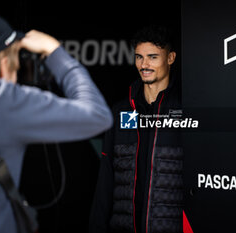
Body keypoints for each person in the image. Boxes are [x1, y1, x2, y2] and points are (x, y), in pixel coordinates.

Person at [0, 12, 112, 233]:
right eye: (16, 61)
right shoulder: (0, 97)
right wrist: (55, 52)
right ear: (4, 63)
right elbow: (97, 115)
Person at [90, 25, 183, 233]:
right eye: (139, 57)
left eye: (152, 57)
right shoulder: (122, 111)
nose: (144, 64)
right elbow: (106, 178)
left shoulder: (184, 110)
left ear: (170, 58)